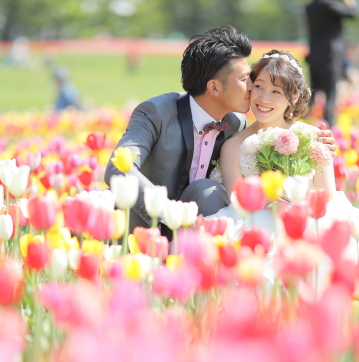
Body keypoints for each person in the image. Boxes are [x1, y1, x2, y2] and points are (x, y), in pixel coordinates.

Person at [209, 50, 359, 291]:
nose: (264, 98)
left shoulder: (315, 137)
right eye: (259, 87)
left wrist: (297, 200)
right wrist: (270, 196)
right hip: (257, 219)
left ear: (293, 97)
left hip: (309, 216)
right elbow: (237, 199)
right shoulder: (234, 145)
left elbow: (327, 194)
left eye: (276, 92)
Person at [104, 25, 338, 237]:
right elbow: (118, 168)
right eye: (246, 80)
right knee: (207, 192)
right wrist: (168, 212)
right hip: (146, 228)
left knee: (208, 193)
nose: (252, 88)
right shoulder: (157, 113)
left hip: (209, 224)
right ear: (214, 88)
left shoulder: (235, 123)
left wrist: (317, 145)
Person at [304, 0, 359, 127]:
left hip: (314, 54)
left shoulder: (310, 7)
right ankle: (328, 124)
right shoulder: (330, 5)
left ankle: (303, 119)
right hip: (330, 56)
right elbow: (353, 14)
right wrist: (350, 3)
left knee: (313, 91)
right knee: (331, 93)